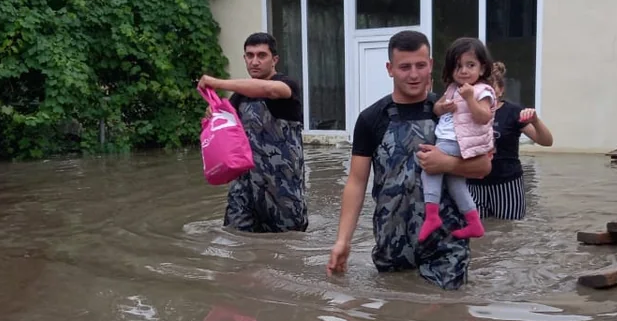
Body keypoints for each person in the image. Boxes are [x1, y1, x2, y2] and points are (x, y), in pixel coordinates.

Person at [327, 30, 491, 290]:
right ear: (390, 69)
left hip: (445, 242)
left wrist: (447, 164)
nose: (414, 75)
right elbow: (356, 183)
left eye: (420, 65)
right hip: (392, 239)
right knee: (394, 320)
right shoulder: (371, 118)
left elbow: (484, 167)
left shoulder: (453, 111)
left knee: (447, 315)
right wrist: (342, 241)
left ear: (431, 65)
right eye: (404, 67)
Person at [198, 32, 308, 233]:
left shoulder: (287, 85)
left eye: (261, 55)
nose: (254, 61)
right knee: (234, 239)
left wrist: (218, 83)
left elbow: (269, 90)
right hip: (244, 187)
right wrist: (212, 117)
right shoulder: (239, 97)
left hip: (281, 188)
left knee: (289, 246)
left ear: (274, 59)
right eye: (250, 55)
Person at [419, 38, 496, 243]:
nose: (463, 71)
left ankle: (432, 216)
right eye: (458, 66)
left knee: (430, 167)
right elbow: (437, 108)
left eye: (470, 65)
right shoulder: (453, 88)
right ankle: (474, 222)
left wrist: (470, 98)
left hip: (459, 142)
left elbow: (484, 117)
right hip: (451, 140)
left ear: (482, 68)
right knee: (455, 183)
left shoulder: (483, 91)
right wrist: (443, 107)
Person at [464, 61, 554, 220]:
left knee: (508, 231)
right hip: (474, 184)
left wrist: (535, 121)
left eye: (492, 87)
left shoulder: (512, 112)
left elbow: (546, 141)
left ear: (500, 90)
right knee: (478, 235)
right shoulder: (467, 111)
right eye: (483, 86)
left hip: (507, 184)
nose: (487, 92)